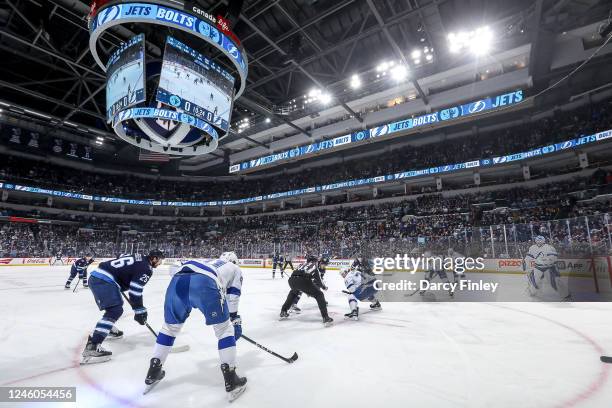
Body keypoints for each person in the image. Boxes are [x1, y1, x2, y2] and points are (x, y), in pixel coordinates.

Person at [144, 251, 246, 401]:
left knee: (169, 328)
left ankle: (153, 371)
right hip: (205, 283)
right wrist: (234, 318)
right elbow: (233, 295)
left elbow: (173, 268)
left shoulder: (208, 260)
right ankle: (231, 380)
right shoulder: (235, 268)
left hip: (178, 280)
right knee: (224, 330)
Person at [81, 250, 164, 365]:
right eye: (160, 260)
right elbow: (135, 290)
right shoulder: (146, 268)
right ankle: (93, 346)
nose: (160, 263)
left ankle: (108, 329)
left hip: (98, 277)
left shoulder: (137, 255)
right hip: (104, 281)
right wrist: (139, 310)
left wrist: (120, 276)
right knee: (115, 310)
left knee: (113, 307)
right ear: (154, 258)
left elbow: (120, 256)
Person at [279, 256, 332, 326]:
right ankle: (325, 317)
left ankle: (283, 311)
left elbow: (294, 273)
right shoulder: (314, 266)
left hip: (292, 280)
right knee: (320, 295)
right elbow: (319, 281)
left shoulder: (302, 264)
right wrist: (324, 287)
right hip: (303, 281)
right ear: (315, 261)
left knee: (294, 292)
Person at [524, 236, 571, 300]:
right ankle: (532, 292)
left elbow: (554, 257)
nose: (539, 242)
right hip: (538, 267)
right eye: (538, 240)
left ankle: (566, 295)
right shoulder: (532, 248)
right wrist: (526, 262)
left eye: (540, 241)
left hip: (549, 267)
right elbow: (529, 256)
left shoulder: (549, 247)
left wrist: (548, 261)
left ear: (543, 241)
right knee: (535, 281)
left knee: (557, 281)